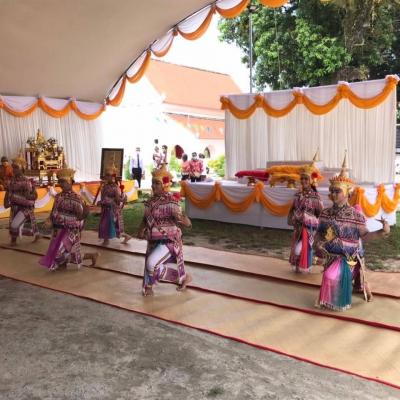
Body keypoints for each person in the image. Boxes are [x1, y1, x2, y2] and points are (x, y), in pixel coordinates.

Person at [314, 153, 389, 311]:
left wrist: (382, 231)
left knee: (331, 276)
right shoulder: (325, 213)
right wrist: (318, 245)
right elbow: (319, 233)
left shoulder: (356, 216)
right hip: (331, 256)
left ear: (348, 192)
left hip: (348, 257)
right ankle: (335, 298)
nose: (333, 194)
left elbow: (365, 236)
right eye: (332, 191)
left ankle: (345, 297)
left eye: (337, 191)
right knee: (332, 277)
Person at [138, 164, 192, 296]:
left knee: (151, 263)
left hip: (168, 242)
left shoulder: (171, 202)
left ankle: (181, 277)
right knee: (150, 263)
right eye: (153, 183)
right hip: (153, 241)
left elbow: (186, 222)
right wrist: (141, 230)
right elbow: (145, 219)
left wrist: (184, 220)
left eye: (157, 183)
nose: (153, 186)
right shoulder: (150, 202)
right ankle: (151, 286)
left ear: (165, 185)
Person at [40, 167, 98, 270]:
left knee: (57, 255)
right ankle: (90, 256)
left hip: (70, 231)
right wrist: (49, 220)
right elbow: (54, 212)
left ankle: (87, 256)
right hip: (57, 229)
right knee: (56, 255)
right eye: (59, 181)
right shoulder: (58, 196)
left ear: (70, 182)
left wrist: (77, 229)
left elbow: (82, 216)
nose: (61, 184)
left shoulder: (76, 198)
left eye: (63, 181)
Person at [287, 160, 323, 273]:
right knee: (296, 249)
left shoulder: (316, 196)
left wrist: (310, 221)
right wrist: (292, 218)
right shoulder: (297, 194)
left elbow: (320, 214)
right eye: (302, 178)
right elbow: (292, 209)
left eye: (306, 179)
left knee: (299, 250)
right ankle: (299, 269)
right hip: (298, 228)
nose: (303, 181)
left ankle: (306, 266)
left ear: (311, 180)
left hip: (309, 230)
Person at [4, 152, 39, 245]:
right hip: (14, 206)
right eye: (13, 167)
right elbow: (8, 192)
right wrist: (6, 202)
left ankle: (35, 235)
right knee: (13, 223)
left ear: (22, 168)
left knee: (14, 224)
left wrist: (29, 197)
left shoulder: (27, 181)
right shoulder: (11, 180)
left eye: (16, 167)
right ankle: (14, 240)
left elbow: (34, 196)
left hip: (25, 207)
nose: (14, 169)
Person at [98, 163, 131, 245]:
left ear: (113, 177)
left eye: (108, 175)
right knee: (105, 224)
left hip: (112, 210)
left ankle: (107, 240)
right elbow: (103, 197)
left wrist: (123, 199)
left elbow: (118, 199)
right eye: (106, 175)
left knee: (111, 225)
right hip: (106, 209)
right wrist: (101, 202)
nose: (106, 177)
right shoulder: (105, 186)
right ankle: (106, 240)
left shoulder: (115, 187)